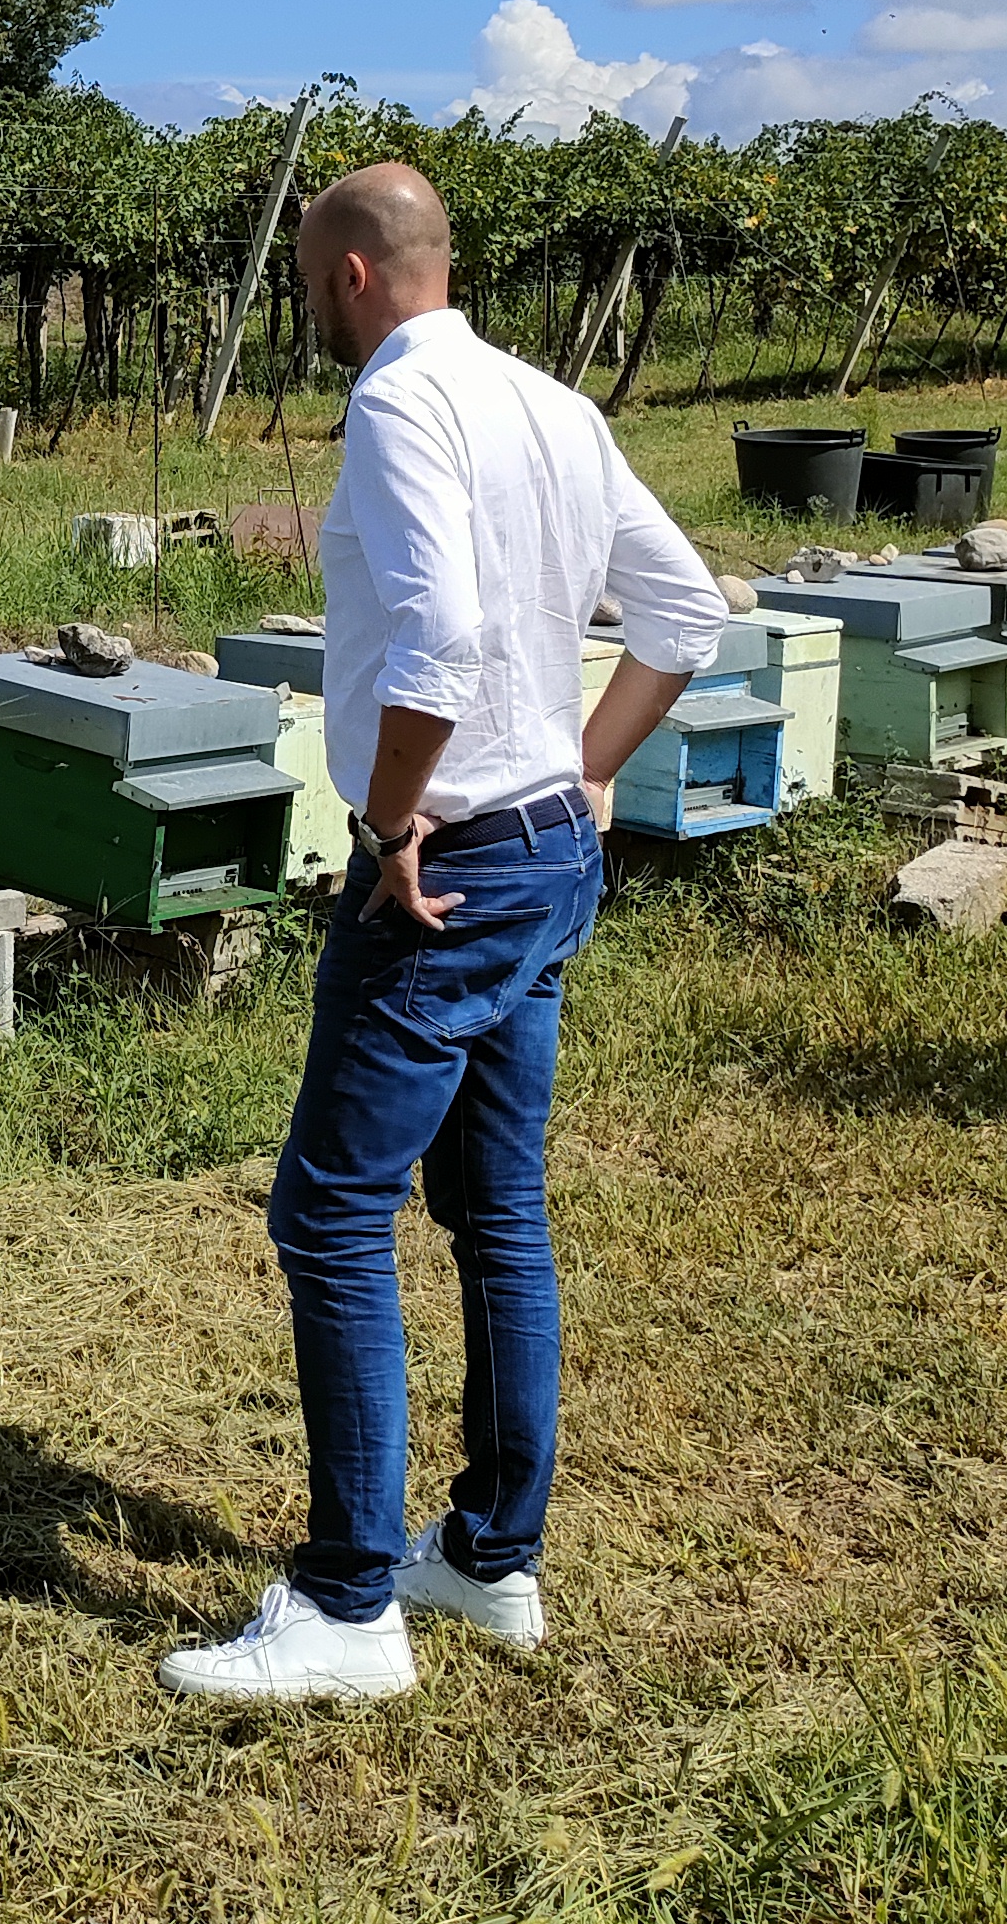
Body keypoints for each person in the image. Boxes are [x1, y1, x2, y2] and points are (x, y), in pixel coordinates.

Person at [158, 160, 730, 1704]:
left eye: (299, 275)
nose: (298, 301)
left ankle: (348, 1607)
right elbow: (687, 617)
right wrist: (592, 771)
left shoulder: (402, 406)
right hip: (546, 849)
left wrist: (394, 818)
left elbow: (446, 639)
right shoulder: (553, 404)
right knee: (499, 1211)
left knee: (330, 1216)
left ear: (347, 274)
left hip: (450, 868)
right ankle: (489, 1558)